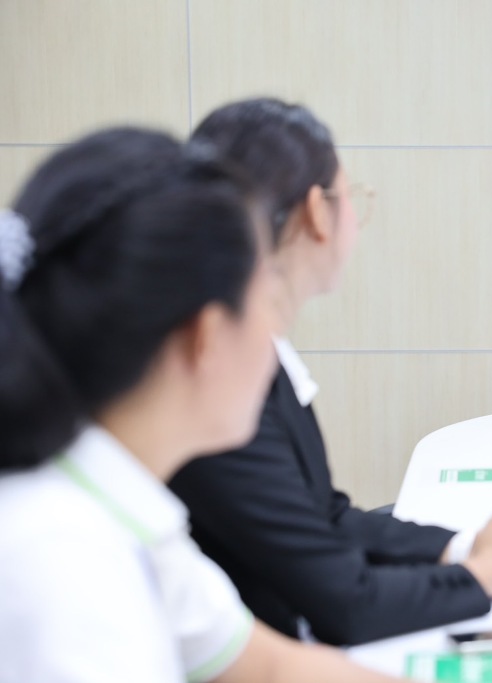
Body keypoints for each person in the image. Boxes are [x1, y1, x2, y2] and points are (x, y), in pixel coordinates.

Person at [0, 127, 403, 682]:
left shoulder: (119, 502)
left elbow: (273, 668)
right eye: (264, 300)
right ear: (205, 337)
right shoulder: (64, 572)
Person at [169, 98, 492, 646]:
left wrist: (465, 545)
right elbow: (345, 604)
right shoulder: (221, 379)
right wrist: (486, 574)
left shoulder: (258, 348)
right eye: (351, 198)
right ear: (317, 212)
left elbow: (326, 517)